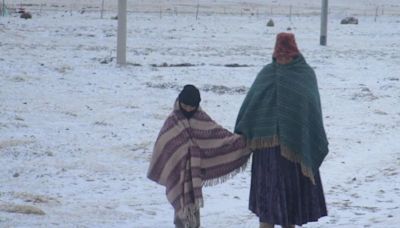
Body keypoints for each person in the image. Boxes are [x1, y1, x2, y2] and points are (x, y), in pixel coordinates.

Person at [235, 33, 329, 228]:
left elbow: (311, 111)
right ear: (275, 54)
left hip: (294, 153)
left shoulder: (305, 75)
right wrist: (244, 131)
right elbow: (251, 106)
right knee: (267, 206)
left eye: (287, 55)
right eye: (280, 55)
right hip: (267, 154)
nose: (283, 59)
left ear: (295, 53)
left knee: (290, 207)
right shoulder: (266, 74)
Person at [148, 84, 251, 228]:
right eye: (186, 105)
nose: (189, 109)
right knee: (181, 211)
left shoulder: (201, 118)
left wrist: (241, 142)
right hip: (177, 174)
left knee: (193, 213)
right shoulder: (172, 121)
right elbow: (164, 144)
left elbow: (218, 136)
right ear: (180, 101)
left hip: (193, 175)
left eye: (192, 106)